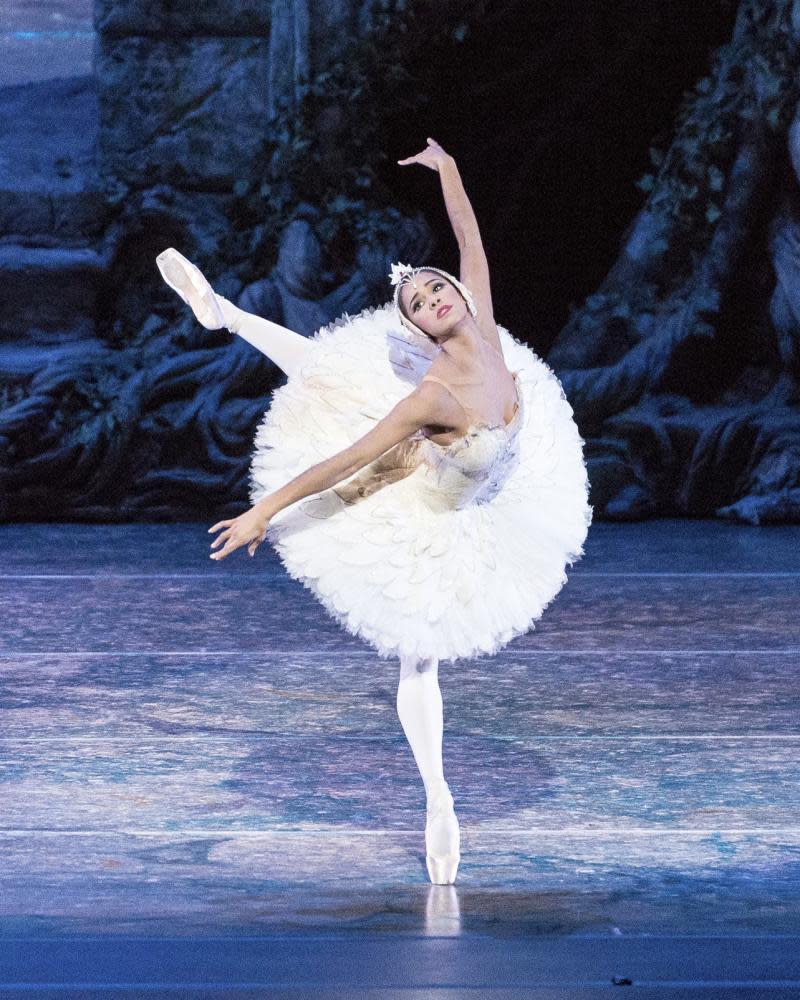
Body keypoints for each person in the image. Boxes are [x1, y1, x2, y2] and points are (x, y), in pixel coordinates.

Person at [156, 137, 593, 886]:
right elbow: (349, 457)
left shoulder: (485, 328)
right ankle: (438, 800)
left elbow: (469, 236)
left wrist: (450, 167)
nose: (434, 298)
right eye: (419, 303)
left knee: (338, 379)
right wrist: (262, 509)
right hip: (427, 506)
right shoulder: (434, 395)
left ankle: (225, 313)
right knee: (416, 647)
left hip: (497, 498)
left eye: (435, 288)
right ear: (419, 330)